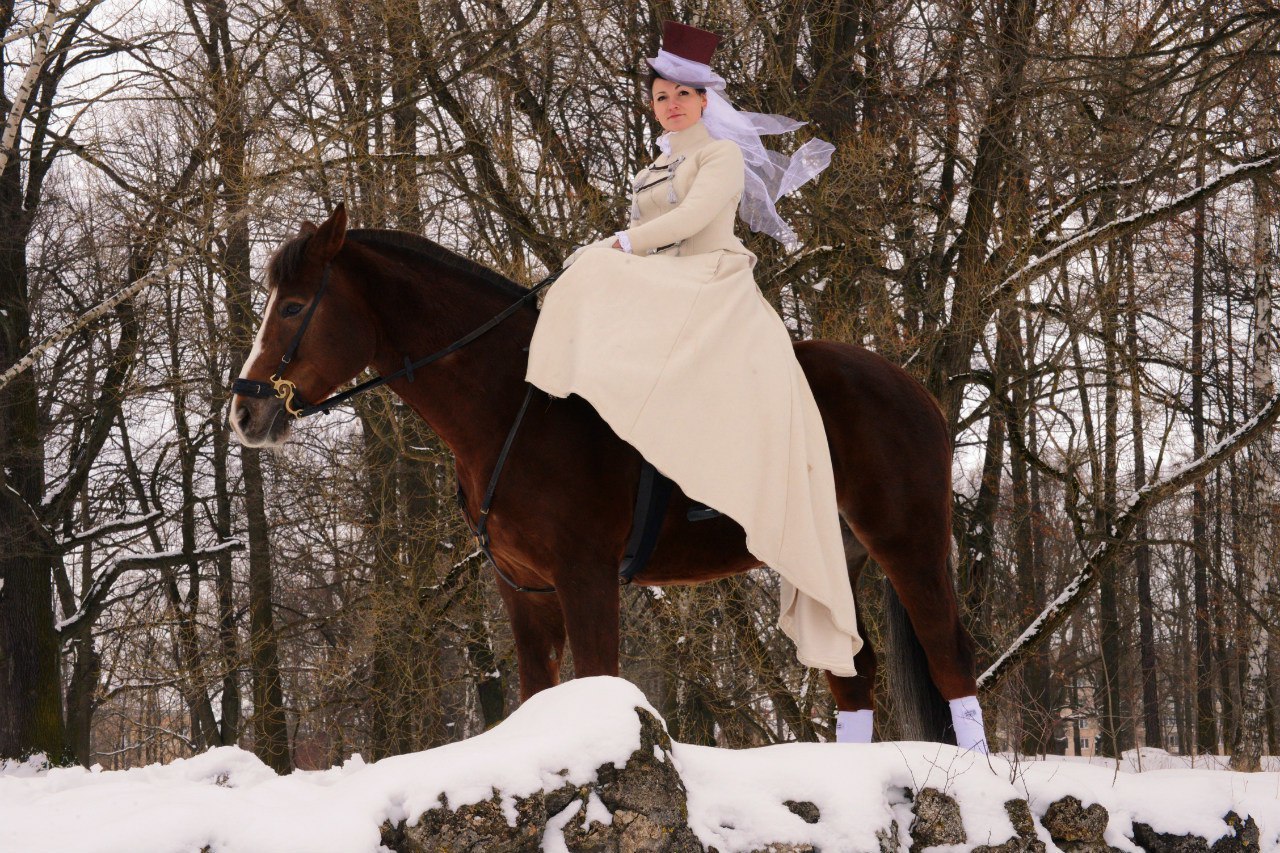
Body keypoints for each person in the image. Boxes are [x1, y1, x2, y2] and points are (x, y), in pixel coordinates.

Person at [524, 21, 864, 723]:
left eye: (683, 94)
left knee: (614, 287)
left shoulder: (719, 158)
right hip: (661, 281)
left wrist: (619, 244)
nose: (672, 104)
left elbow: (697, 221)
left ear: (706, 100)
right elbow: (648, 235)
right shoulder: (651, 166)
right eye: (661, 95)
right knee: (597, 305)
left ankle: (718, 482)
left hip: (710, 278)